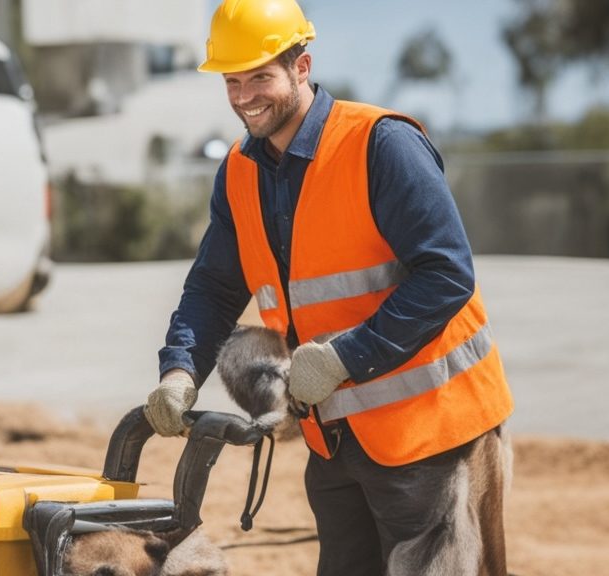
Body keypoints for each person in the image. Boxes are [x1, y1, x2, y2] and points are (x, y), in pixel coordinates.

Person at [142, 0, 515, 575]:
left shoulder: (380, 145)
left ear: (301, 67)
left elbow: (448, 275)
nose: (244, 97)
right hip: (334, 437)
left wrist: (347, 357)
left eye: (260, 77)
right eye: (232, 81)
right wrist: (179, 370)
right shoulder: (240, 171)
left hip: (434, 436)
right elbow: (215, 287)